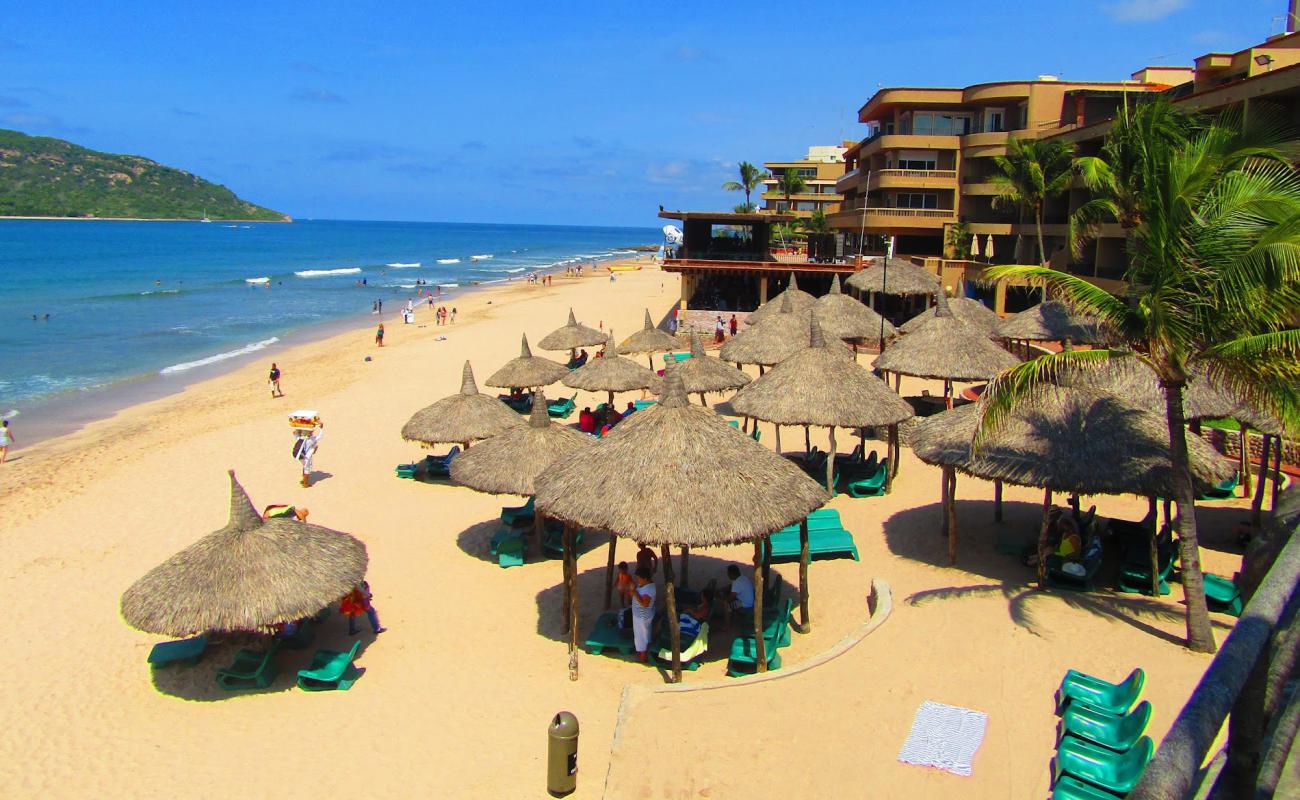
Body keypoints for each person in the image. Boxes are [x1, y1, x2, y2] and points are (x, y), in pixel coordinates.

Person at [631, 566, 656, 662]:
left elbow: (645, 604)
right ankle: (644, 652)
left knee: (641, 636)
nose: (638, 580)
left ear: (645, 578)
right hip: (641, 615)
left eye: (639, 578)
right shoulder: (644, 585)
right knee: (645, 634)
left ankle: (643, 657)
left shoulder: (649, 589)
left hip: (642, 617)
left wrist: (635, 594)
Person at [297, 424, 323, 488]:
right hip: (307, 457)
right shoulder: (312, 439)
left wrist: (299, 429)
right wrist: (321, 428)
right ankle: (305, 484)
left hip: (300, 456)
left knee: (304, 466)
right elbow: (320, 436)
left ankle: (303, 480)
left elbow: (295, 433)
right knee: (307, 470)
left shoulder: (301, 438)